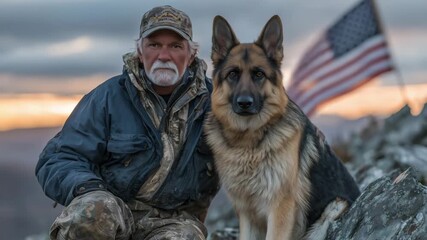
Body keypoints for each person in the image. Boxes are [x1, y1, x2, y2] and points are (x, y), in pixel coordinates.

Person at [35, 5, 220, 240]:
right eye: (154, 45)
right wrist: (91, 192)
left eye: (175, 46)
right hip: (113, 210)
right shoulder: (108, 97)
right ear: (140, 52)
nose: (164, 56)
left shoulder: (217, 102)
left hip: (175, 220)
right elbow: (59, 158)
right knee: (94, 212)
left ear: (191, 54)